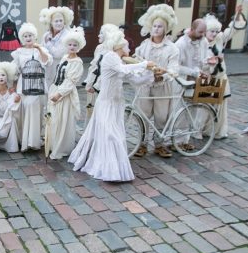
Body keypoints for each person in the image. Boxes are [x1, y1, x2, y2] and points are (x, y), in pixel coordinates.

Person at [69, 31, 154, 182]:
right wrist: (143, 64)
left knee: (117, 136)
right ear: (120, 47)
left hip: (116, 105)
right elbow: (123, 70)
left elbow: (135, 80)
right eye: (127, 47)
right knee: (110, 135)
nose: (129, 50)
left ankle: (114, 169)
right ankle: (108, 169)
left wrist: (150, 73)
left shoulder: (119, 61)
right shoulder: (110, 58)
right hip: (106, 103)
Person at [133, 4, 181, 157]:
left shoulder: (172, 48)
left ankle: (159, 144)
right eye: (154, 26)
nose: (156, 29)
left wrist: (164, 74)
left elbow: (174, 69)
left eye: (160, 26)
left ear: (166, 29)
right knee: (143, 114)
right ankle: (142, 144)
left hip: (162, 87)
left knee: (161, 116)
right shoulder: (144, 45)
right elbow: (137, 60)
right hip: (145, 86)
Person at [46, 27, 85, 160]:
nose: (72, 47)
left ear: (78, 47)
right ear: (66, 45)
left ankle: (61, 147)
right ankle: (53, 143)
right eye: (70, 44)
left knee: (62, 120)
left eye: (75, 45)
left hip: (65, 95)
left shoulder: (77, 62)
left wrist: (59, 94)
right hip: (56, 88)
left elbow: (70, 81)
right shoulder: (64, 57)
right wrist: (53, 89)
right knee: (54, 119)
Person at [11, 22, 50, 151]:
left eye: (30, 35)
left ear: (35, 37)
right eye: (26, 36)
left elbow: (46, 61)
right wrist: (13, 87)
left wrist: (39, 48)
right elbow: (15, 71)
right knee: (24, 112)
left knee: (35, 112)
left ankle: (34, 141)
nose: (28, 38)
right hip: (24, 85)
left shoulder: (40, 50)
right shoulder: (18, 52)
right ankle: (24, 140)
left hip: (37, 85)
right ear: (22, 38)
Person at [203, 14, 233, 139]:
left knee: (220, 105)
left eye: (216, 31)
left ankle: (216, 130)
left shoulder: (220, 39)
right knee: (206, 104)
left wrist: (236, 16)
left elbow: (231, 32)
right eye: (211, 31)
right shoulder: (202, 43)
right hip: (208, 78)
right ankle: (204, 129)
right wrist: (209, 62)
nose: (214, 34)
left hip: (220, 77)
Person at [40, 6, 74, 86]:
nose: (59, 23)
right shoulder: (46, 35)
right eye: (56, 21)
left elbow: (58, 54)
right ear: (51, 22)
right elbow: (41, 51)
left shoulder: (67, 35)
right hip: (47, 69)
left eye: (61, 21)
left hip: (61, 68)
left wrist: (48, 43)